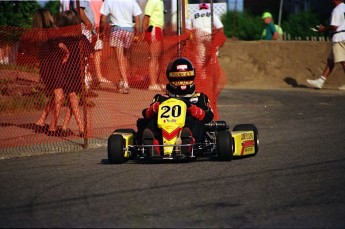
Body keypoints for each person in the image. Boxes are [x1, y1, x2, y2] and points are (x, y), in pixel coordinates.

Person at [137, 57, 214, 155]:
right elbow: (146, 114)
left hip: (187, 127)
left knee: (195, 122)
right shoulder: (161, 98)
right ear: (170, 78)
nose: (182, 82)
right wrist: (153, 109)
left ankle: (188, 141)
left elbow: (209, 115)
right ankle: (153, 143)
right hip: (164, 127)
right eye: (178, 79)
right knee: (149, 122)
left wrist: (195, 110)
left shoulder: (199, 97)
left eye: (186, 78)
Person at [58, 10, 95, 137]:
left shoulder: (62, 39)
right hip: (78, 71)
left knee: (72, 101)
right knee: (74, 100)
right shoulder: (81, 38)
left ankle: (64, 127)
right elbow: (91, 54)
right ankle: (81, 128)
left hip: (66, 71)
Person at [33, 9, 69, 135]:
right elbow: (59, 44)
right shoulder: (52, 31)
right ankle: (53, 127)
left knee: (55, 95)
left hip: (45, 67)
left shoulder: (38, 33)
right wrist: (67, 52)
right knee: (60, 95)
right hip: (54, 66)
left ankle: (41, 121)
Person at [99, 0, 142, 94]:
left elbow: (103, 18)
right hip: (129, 30)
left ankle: (125, 82)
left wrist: (101, 31)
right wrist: (137, 33)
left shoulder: (109, 1)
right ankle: (122, 80)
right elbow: (137, 17)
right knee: (125, 57)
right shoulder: (132, 1)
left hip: (116, 30)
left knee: (120, 58)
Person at [69, 0, 111, 90]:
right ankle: (83, 86)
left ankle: (85, 84)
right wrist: (87, 22)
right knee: (83, 56)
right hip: (84, 28)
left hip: (87, 28)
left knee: (86, 57)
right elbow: (78, 9)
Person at [306, 0, 345, 90]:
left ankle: (321, 81)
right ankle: (321, 80)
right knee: (330, 61)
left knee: (343, 61)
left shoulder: (337, 10)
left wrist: (323, 29)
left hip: (339, 38)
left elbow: (334, 26)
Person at [187, 3, 224, 78]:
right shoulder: (211, 13)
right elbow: (220, 27)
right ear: (207, 8)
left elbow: (188, 29)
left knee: (200, 57)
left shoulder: (193, 14)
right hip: (209, 34)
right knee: (213, 53)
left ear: (199, 8)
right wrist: (220, 39)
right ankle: (213, 72)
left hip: (198, 36)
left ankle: (202, 77)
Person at [143, 0, 165, 91]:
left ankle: (155, 81)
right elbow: (146, 18)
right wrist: (145, 31)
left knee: (158, 57)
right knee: (153, 57)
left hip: (158, 29)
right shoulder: (152, 1)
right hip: (153, 29)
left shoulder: (160, 2)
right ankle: (152, 83)